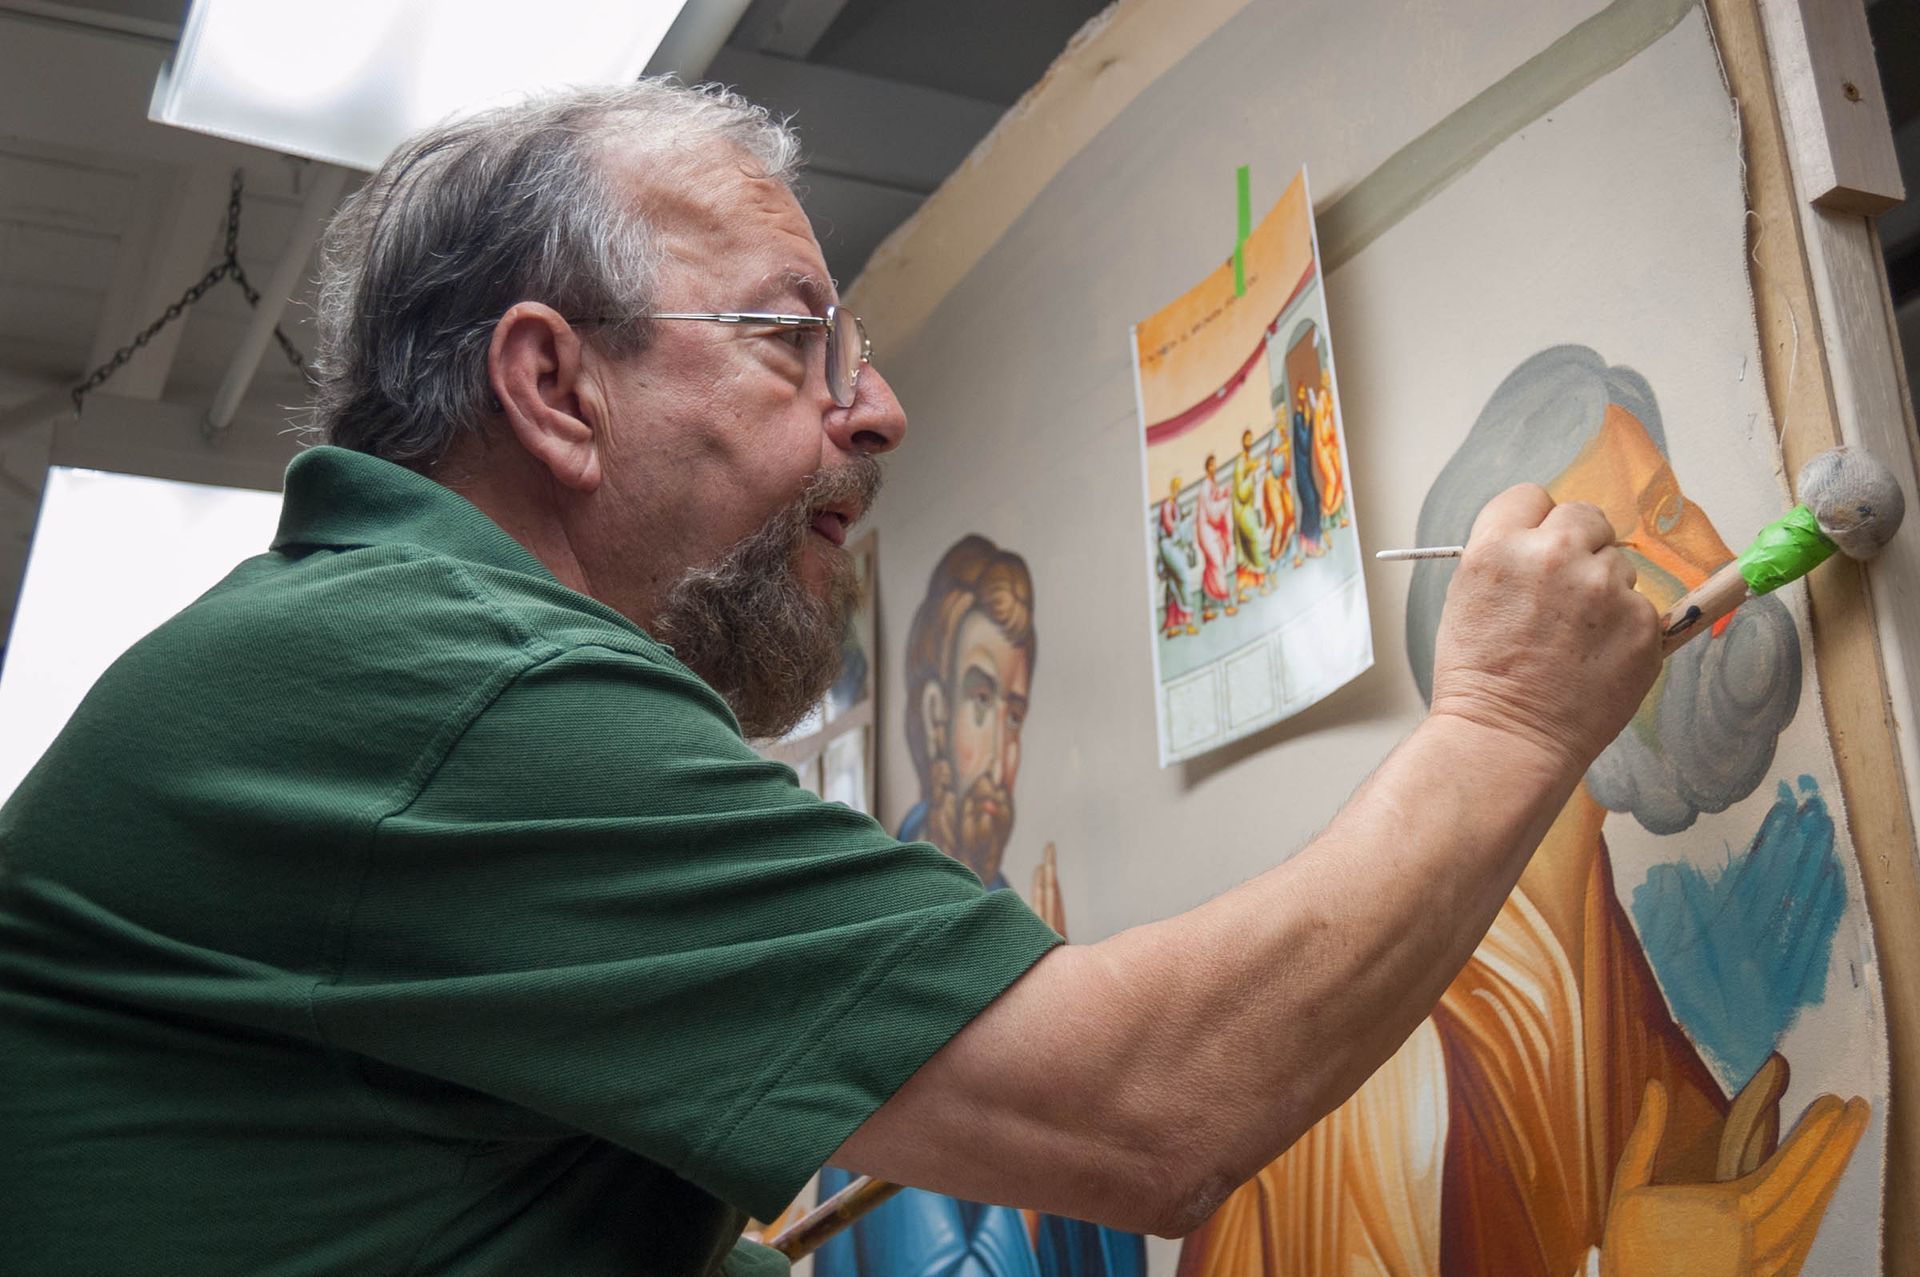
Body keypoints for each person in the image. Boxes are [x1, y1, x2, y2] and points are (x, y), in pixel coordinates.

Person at [0, 82, 1663, 1276]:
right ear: (556, 389)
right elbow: (1150, 1108)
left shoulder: (382, 664)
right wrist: (1508, 718)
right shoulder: (448, 687)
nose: (876, 411)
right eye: (797, 339)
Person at [1176, 346, 1867, 1277]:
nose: (1686, 571)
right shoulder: (1375, 1073)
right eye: (1607, 561)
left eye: (1669, 514)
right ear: (1503, 633)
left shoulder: (1610, 982)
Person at [818, 535, 1144, 1277]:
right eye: (980, 700)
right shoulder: (892, 958)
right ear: (935, 716)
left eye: (1015, 715)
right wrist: (1055, 1058)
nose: (1000, 756)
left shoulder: (1008, 929)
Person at [1157, 477, 1201, 637]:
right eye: (1175, 487)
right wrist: (1182, 524)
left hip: (1174, 545)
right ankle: (1187, 621)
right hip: (1169, 546)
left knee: (1174, 584)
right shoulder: (1167, 505)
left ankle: (1174, 624)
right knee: (1182, 579)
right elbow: (1170, 528)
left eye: (1178, 488)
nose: (1177, 490)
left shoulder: (1175, 505)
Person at [1195, 452, 1237, 620]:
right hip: (1207, 531)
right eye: (1211, 465)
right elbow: (1212, 512)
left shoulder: (1212, 484)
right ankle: (1226, 603)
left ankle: (1206, 607)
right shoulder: (1205, 486)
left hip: (1211, 531)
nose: (1214, 467)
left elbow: (1216, 496)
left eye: (1215, 464)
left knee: (1211, 567)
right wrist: (1225, 501)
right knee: (1217, 564)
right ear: (1207, 468)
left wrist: (1225, 492)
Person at [1231, 430, 1271, 598]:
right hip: (1242, 511)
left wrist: (1258, 469)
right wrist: (1254, 473)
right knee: (1255, 540)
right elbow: (1241, 492)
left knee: (1248, 549)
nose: (1250, 442)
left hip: (1247, 509)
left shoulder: (1247, 460)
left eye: (1251, 439)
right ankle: (1261, 582)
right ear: (1243, 441)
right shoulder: (1241, 462)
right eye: (1247, 439)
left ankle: (1244, 588)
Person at [1290, 384, 1324, 558]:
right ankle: (1310, 543)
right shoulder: (1298, 418)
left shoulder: (1301, 415)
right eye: (1301, 393)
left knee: (1314, 501)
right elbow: (1303, 443)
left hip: (1305, 470)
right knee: (1311, 502)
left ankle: (1308, 541)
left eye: (1304, 392)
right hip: (1302, 473)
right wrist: (1309, 423)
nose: (1303, 396)